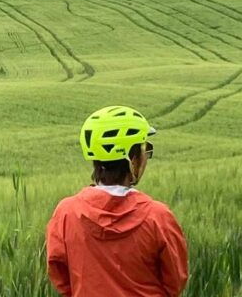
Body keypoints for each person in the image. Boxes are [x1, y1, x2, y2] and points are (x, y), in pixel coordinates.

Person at [46, 106, 188, 297]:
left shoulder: (66, 213)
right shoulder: (158, 218)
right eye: (145, 149)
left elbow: (61, 277)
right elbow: (175, 282)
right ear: (132, 158)